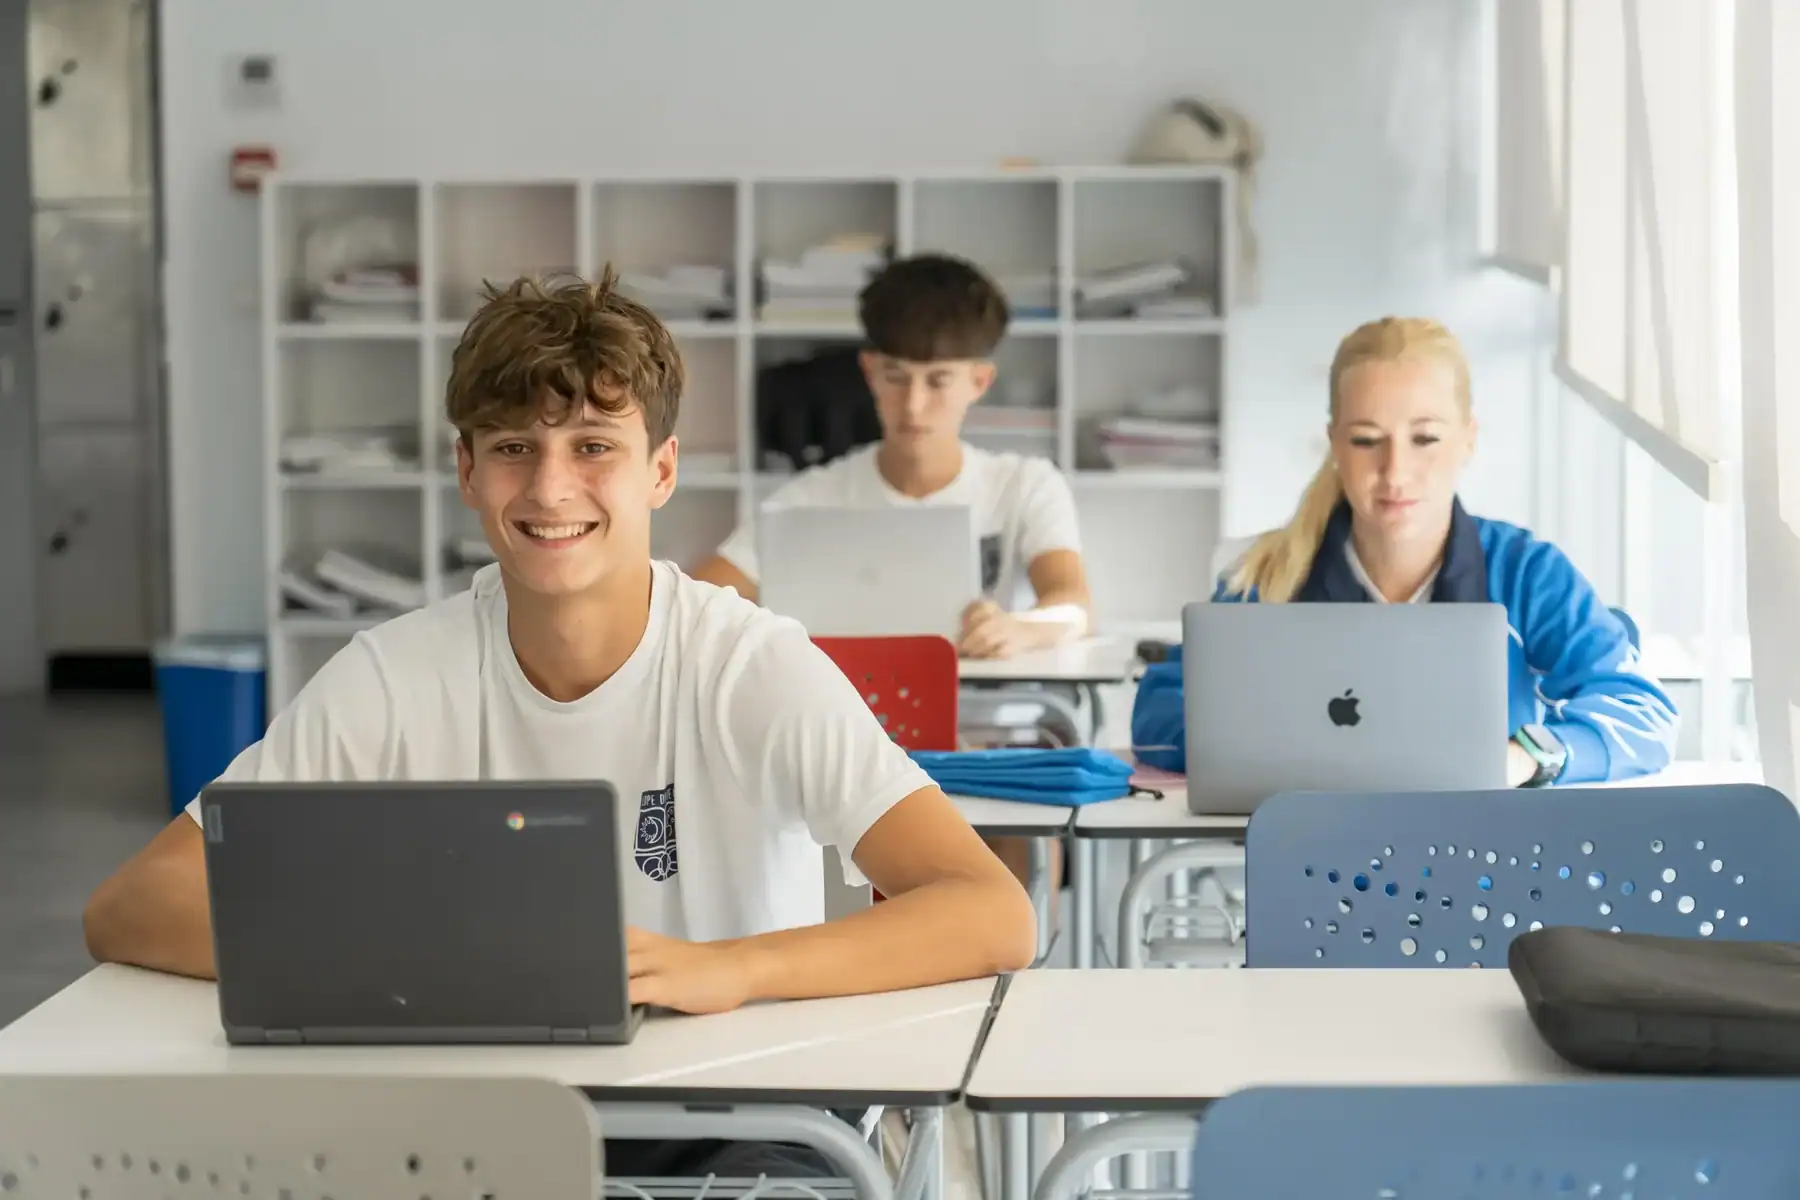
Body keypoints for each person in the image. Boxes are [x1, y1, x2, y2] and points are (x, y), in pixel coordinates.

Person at [83, 270, 1036, 1179]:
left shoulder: (749, 663)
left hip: (743, 1115)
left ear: (660, 471)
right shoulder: (394, 671)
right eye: (510, 448)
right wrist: (405, 963)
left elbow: (989, 909)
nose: (547, 489)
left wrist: (728, 970)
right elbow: (134, 903)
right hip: (485, 1119)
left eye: (592, 447)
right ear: (466, 468)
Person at [1132, 316, 1679, 787]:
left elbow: (1642, 713)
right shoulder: (1268, 578)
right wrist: (1278, 748)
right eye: (1367, 440)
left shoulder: (1527, 574)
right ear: (1335, 444)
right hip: (1313, 865)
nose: (1395, 472)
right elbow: (1159, 717)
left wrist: (1525, 757)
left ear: (1468, 438)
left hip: (1492, 871)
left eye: (1425, 439)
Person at [688, 253, 1093, 660]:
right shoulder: (814, 497)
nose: (913, 406)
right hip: (847, 712)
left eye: (938, 381)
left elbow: (1073, 603)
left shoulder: (1024, 485)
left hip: (988, 712)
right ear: (869, 372)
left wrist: (1024, 628)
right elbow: (701, 597)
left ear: (979, 381)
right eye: (895, 377)